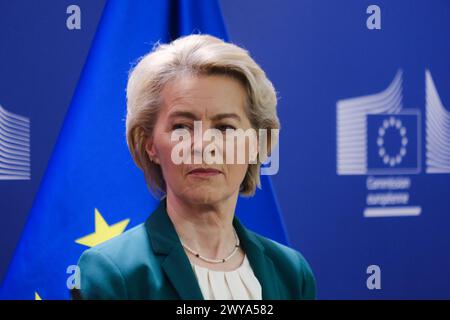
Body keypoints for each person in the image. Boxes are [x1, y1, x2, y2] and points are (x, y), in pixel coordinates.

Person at [73, 34, 316, 300]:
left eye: (225, 127)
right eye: (181, 127)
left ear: (258, 142)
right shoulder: (114, 272)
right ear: (149, 144)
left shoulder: (291, 273)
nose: (203, 145)